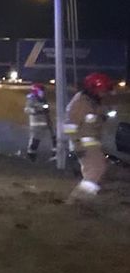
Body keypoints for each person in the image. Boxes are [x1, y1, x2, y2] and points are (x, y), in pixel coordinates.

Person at [63, 72, 114, 206]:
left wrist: (102, 117)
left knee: (96, 170)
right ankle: (76, 201)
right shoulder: (81, 102)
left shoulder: (91, 101)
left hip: (91, 144)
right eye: (102, 90)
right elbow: (70, 126)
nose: (104, 94)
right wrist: (78, 146)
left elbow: (92, 120)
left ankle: (82, 200)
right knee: (95, 170)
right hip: (85, 145)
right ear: (93, 89)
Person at [23, 83, 53, 162]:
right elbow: (27, 109)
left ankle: (55, 154)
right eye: (41, 91)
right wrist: (36, 110)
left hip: (45, 123)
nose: (42, 92)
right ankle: (31, 155)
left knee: (53, 137)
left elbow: (46, 111)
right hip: (36, 124)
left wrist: (48, 119)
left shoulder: (43, 99)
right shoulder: (31, 99)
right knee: (35, 140)